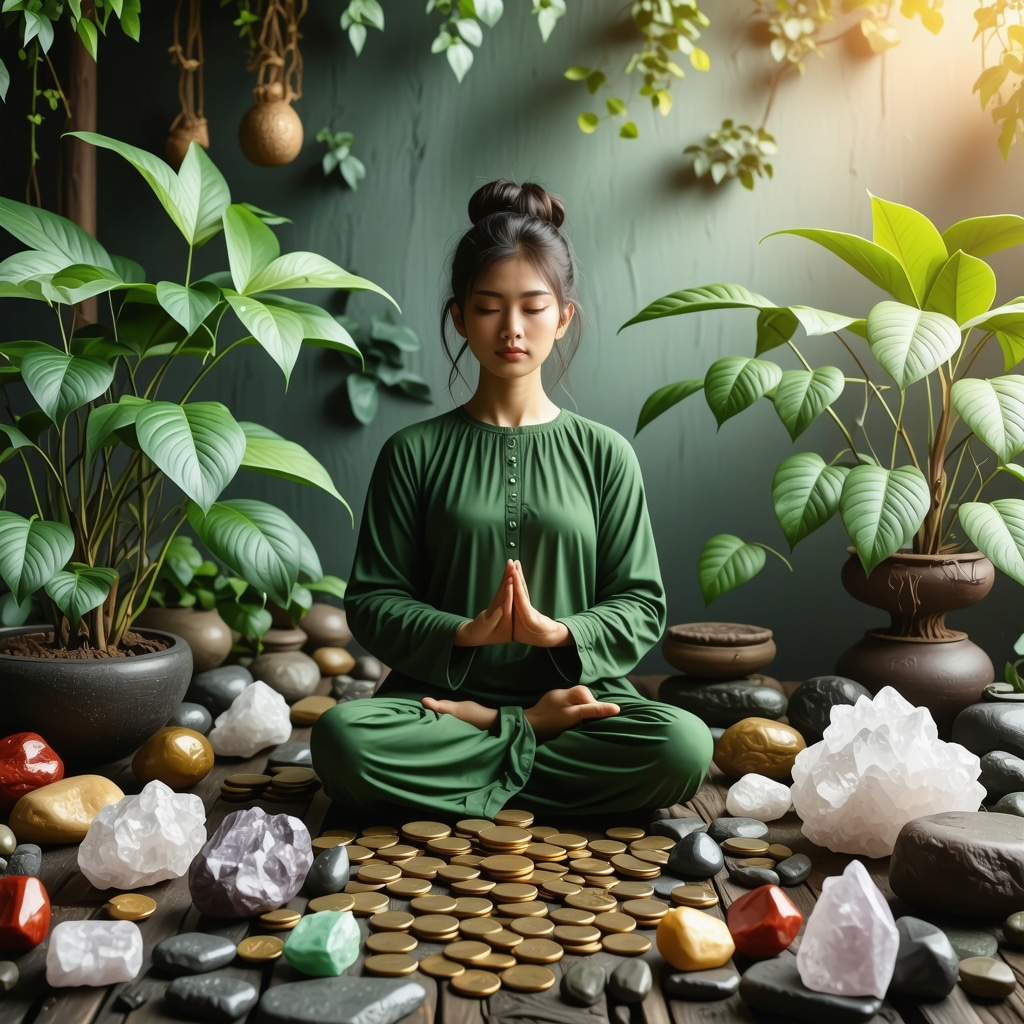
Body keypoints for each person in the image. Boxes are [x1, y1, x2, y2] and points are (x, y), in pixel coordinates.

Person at [310, 180, 713, 819]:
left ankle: (488, 758)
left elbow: (640, 603)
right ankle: (532, 743)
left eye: (533, 306)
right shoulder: (411, 452)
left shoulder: (606, 454)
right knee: (342, 742)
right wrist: (463, 632)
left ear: (563, 317)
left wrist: (560, 633)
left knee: (683, 746)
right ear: (460, 317)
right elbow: (373, 601)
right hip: (438, 703)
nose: (512, 328)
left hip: (580, 701)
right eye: (490, 306)